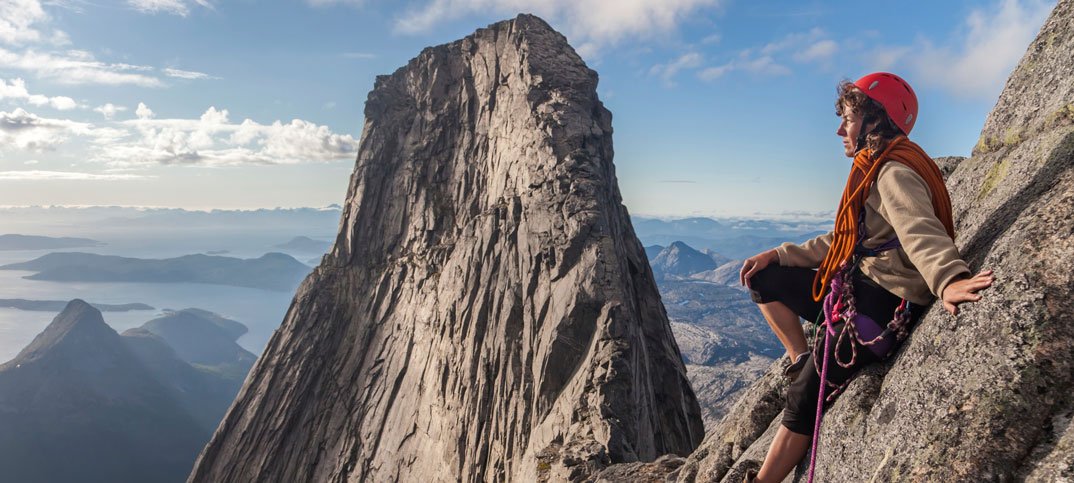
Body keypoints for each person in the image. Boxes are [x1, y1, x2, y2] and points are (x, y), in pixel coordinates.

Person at [736, 72, 994, 483]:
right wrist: (779, 255)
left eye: (850, 118)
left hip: (883, 303)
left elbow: (919, 230)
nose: (840, 128)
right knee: (763, 279)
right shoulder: (872, 164)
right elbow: (845, 237)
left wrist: (948, 279)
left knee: (803, 397)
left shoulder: (893, 174)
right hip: (858, 286)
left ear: (877, 120)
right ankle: (801, 358)